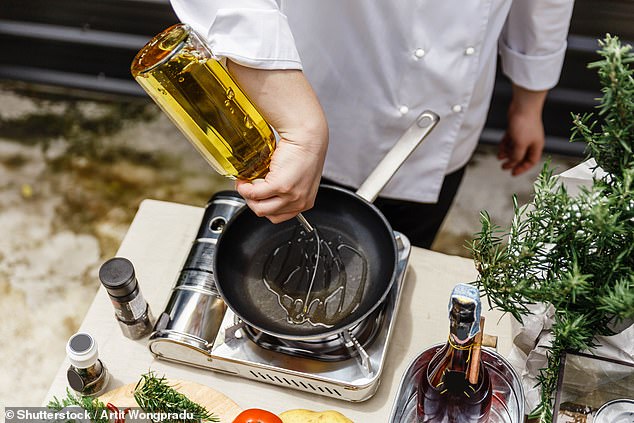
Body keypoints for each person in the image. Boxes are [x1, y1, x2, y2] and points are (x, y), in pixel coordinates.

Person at [169, 0, 575, 248]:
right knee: (278, 243)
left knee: (401, 249)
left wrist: (529, 100)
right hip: (316, 85)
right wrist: (300, 125)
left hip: (438, 127)